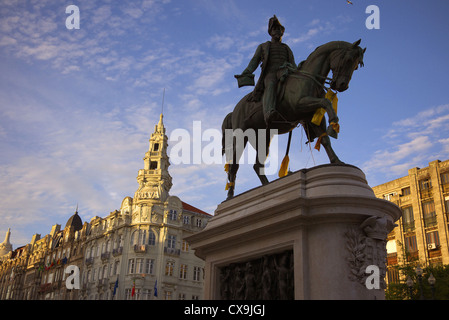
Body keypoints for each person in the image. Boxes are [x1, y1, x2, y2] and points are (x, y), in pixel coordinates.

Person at [236, 15, 296, 126]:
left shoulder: (286, 48)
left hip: (286, 73)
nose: (277, 31)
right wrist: (247, 72)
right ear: (270, 32)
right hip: (271, 74)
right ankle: (269, 111)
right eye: (275, 29)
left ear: (282, 32)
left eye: (279, 29)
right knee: (271, 84)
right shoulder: (263, 46)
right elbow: (254, 61)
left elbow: (293, 64)